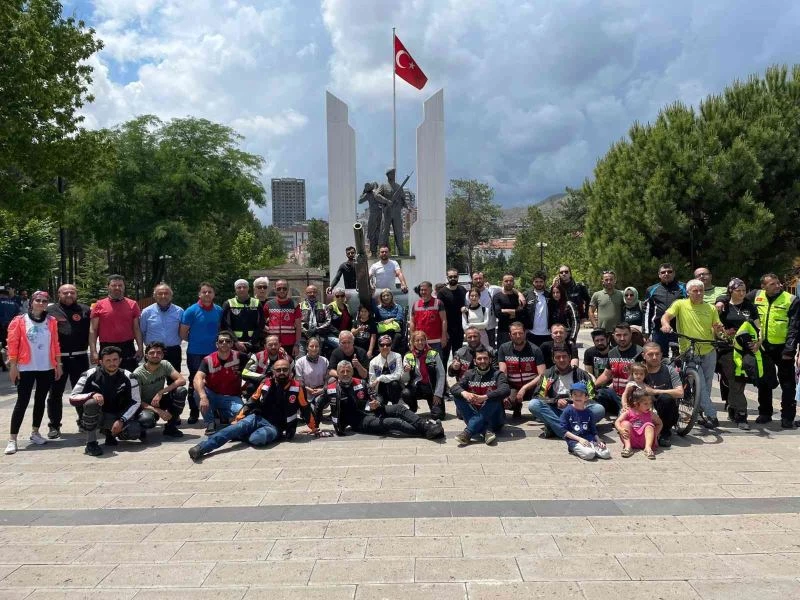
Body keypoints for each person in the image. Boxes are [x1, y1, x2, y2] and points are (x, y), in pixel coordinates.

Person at [188, 359, 319, 460]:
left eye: (285, 370)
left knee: (258, 439)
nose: (282, 373)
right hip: (257, 418)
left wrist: (313, 427)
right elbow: (252, 402)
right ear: (273, 372)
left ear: (290, 371)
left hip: (275, 427)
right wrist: (238, 418)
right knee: (232, 429)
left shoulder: (297, 387)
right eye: (278, 370)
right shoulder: (265, 383)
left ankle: (240, 434)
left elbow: (305, 408)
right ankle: (201, 448)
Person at [661, 278, 724, 429]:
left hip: (709, 349)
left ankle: (701, 413)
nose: (698, 293)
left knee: (707, 385)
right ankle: (712, 415)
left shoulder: (710, 308)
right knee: (700, 384)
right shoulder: (680, 304)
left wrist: (720, 330)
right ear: (688, 292)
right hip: (689, 350)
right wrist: (665, 324)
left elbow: (716, 326)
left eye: (701, 290)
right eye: (695, 290)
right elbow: (666, 316)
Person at [4, 291, 61, 455]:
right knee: (22, 401)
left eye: (45, 301)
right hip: (25, 367)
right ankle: (12, 439)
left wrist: (58, 364)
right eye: (38, 300)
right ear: (31, 302)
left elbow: (55, 343)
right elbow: (12, 344)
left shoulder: (51, 321)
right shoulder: (19, 320)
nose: (41, 303)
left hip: (46, 366)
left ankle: (35, 432)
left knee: (40, 400)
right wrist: (13, 366)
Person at [328, 361, 443, 438]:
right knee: (394, 422)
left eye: (348, 371)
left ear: (352, 372)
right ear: (337, 373)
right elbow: (317, 405)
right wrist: (314, 427)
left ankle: (426, 426)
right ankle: (429, 431)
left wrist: (376, 402)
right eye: (342, 372)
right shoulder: (331, 389)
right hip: (359, 422)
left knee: (399, 408)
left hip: (371, 410)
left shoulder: (360, 382)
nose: (345, 374)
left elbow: (374, 394)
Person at [69, 346, 149, 457]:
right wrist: (92, 395)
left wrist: (121, 420)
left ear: (120, 360)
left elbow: (136, 402)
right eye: (108, 360)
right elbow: (72, 397)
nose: (112, 363)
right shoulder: (89, 374)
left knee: (134, 431)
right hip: (96, 416)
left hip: (116, 416)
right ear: (101, 362)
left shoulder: (130, 377)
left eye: (115, 360)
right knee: (91, 403)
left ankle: (110, 434)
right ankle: (91, 443)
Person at [747, 273, 800, 428]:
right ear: (763, 286)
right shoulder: (755, 295)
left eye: (778, 283)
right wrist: (721, 301)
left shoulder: (791, 300)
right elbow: (736, 298)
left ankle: (787, 416)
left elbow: (795, 327)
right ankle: (765, 413)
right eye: (772, 284)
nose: (777, 286)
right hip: (762, 346)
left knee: (788, 384)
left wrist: (790, 349)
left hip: (783, 347)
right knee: (764, 381)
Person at [45, 284, 91, 439]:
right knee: (55, 393)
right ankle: (54, 426)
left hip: (80, 357)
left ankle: (84, 422)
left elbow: (93, 332)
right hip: (58, 359)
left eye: (72, 292)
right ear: (59, 294)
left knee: (83, 392)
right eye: (65, 292)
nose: (69, 294)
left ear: (76, 293)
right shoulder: (49, 311)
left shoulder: (85, 310)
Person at [529, 345, 604, 438]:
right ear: (553, 359)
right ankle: (572, 430)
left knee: (599, 409)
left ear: (570, 358)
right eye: (558, 357)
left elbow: (593, 397)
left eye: (564, 356)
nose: (561, 360)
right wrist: (555, 401)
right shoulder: (547, 374)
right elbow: (538, 396)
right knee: (533, 404)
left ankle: (555, 428)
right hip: (555, 411)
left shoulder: (582, 375)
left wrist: (575, 403)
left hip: (577, 413)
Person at [715, 278, 758, 429]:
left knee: (741, 380)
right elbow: (714, 327)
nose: (741, 293)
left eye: (744, 290)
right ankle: (741, 415)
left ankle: (733, 407)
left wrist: (758, 342)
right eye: (738, 290)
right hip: (727, 348)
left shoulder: (749, 306)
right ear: (730, 291)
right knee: (735, 381)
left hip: (746, 349)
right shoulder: (723, 307)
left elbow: (758, 327)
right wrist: (724, 333)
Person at [180, 282, 223, 424]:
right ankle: (193, 411)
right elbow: (183, 333)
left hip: (214, 353)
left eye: (210, 292)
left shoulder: (219, 310)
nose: (207, 294)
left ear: (214, 294)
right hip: (195, 353)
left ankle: (214, 410)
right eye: (204, 292)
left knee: (214, 382)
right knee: (195, 382)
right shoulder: (191, 311)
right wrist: (196, 340)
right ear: (199, 294)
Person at [452, 345, 509, 446]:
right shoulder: (469, 374)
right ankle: (486, 431)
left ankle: (468, 432)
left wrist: (484, 397)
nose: (482, 361)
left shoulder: (498, 374)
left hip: (495, 419)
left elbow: (505, 389)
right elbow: (454, 388)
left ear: (490, 360)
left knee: (493, 398)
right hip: (474, 412)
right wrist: (465, 393)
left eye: (485, 358)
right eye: (479, 358)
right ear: (474, 361)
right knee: (458, 396)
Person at [193, 331, 246, 435]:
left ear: (232, 344)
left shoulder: (240, 356)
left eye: (228, 341)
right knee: (197, 391)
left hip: (231, 397)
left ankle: (223, 413)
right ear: (217, 344)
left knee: (242, 414)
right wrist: (203, 397)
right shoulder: (208, 360)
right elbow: (197, 378)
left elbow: (257, 361)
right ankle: (210, 422)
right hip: (212, 395)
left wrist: (278, 350)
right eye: (221, 341)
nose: (224, 343)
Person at [89, 274, 143, 371]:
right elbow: (93, 329)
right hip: (106, 347)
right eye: (114, 285)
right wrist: (93, 351)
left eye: (120, 285)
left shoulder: (133, 304)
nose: (117, 288)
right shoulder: (99, 305)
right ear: (108, 287)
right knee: (106, 378)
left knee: (130, 377)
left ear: (124, 287)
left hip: (127, 347)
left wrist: (140, 348)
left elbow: (136, 328)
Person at [132, 341, 186, 438]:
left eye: (159, 353)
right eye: (152, 353)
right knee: (147, 420)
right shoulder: (137, 374)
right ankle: (142, 427)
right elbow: (137, 401)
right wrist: (158, 411)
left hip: (159, 400)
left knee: (181, 391)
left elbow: (181, 380)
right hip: (144, 405)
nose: (155, 355)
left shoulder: (165, 364)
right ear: (146, 356)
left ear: (162, 355)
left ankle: (171, 426)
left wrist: (161, 392)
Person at [593, 322, 642, 418]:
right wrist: (591, 387)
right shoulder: (612, 353)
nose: (622, 338)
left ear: (631, 335)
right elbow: (606, 375)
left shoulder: (640, 352)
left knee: (627, 420)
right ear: (613, 336)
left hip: (631, 396)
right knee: (598, 395)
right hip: (614, 394)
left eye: (625, 335)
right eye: (618, 335)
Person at [498, 321, 546, 418]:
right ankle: (516, 406)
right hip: (513, 386)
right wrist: (503, 392)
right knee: (501, 401)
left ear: (525, 333)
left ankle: (537, 411)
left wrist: (524, 388)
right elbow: (503, 373)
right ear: (510, 335)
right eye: (514, 334)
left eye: (520, 333)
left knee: (544, 398)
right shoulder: (504, 348)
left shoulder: (535, 349)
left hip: (532, 386)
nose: (518, 336)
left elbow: (542, 374)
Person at [640, 342, 682, 447]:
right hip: (643, 409)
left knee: (666, 398)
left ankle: (665, 432)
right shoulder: (639, 371)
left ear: (661, 354)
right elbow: (629, 388)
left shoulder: (669, 370)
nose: (654, 357)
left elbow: (680, 392)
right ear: (643, 355)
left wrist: (656, 391)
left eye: (657, 354)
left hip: (666, 411)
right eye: (650, 354)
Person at [560, 382, 611, 461]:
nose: (578, 397)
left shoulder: (589, 412)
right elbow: (563, 430)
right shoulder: (567, 411)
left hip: (590, 439)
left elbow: (593, 430)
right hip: (575, 440)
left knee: (606, 454)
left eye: (581, 394)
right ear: (571, 396)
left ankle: (592, 448)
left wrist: (598, 440)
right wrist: (579, 439)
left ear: (586, 397)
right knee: (589, 454)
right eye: (575, 394)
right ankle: (575, 449)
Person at [401, 330, 446, 419]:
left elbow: (441, 374)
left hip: (432, 389)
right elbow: (404, 380)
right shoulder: (408, 356)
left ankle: (433, 404)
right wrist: (406, 371)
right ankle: (413, 407)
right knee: (405, 393)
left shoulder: (433, 354)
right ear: (413, 342)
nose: (420, 342)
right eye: (417, 340)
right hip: (417, 387)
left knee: (438, 416)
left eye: (422, 340)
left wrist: (438, 394)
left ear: (426, 340)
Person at [644, 263, 686, 355]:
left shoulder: (684, 287)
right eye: (663, 272)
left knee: (679, 358)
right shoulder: (651, 289)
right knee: (659, 357)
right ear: (659, 275)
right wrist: (646, 332)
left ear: (674, 273)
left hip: (679, 330)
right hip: (658, 331)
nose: (666, 274)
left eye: (669, 272)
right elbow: (647, 312)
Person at [139, 283, 184, 371]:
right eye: (160, 293)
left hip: (173, 351)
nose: (163, 296)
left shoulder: (180, 311)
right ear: (154, 296)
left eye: (166, 293)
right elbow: (142, 332)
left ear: (171, 296)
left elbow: (183, 331)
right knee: (152, 381)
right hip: (153, 352)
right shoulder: (146, 312)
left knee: (174, 380)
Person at [615, 389, 662, 459]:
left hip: (645, 441)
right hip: (631, 439)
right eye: (645, 404)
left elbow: (660, 423)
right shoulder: (629, 411)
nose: (649, 406)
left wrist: (655, 434)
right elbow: (617, 421)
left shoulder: (650, 414)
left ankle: (648, 448)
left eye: (650, 403)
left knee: (649, 425)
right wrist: (620, 429)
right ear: (636, 404)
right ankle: (628, 447)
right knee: (625, 423)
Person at [221, 279, 264, 354]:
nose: (242, 289)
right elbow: (225, 325)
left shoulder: (257, 303)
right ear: (235, 289)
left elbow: (261, 324)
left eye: (244, 287)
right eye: (239, 287)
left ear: (248, 288)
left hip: (253, 344)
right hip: (234, 344)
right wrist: (235, 341)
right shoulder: (228, 303)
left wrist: (252, 341)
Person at [263, 279, 302, 357]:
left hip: (290, 343)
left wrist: (297, 345)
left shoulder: (294, 304)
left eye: (284, 288)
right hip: (273, 344)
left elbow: (298, 327)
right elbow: (261, 322)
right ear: (275, 290)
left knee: (288, 366)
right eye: (279, 288)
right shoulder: (268, 304)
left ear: (288, 289)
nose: (281, 290)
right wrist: (267, 328)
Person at [294, 337, 330, 421]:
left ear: (319, 348)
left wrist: (323, 389)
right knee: (309, 416)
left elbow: (328, 379)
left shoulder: (324, 361)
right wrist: (308, 389)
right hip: (305, 392)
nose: (314, 348)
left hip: (320, 391)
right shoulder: (300, 362)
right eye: (311, 346)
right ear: (307, 347)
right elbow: (298, 381)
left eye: (316, 346)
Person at [437, 268, 467, 365]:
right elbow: (440, 313)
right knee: (444, 357)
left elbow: (468, 305)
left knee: (458, 357)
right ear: (447, 278)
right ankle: (443, 380)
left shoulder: (463, 290)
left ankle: (459, 379)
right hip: (447, 330)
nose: (453, 278)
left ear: (458, 277)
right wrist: (444, 332)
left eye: (455, 276)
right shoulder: (442, 292)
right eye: (450, 277)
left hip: (459, 329)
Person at [409, 281, 448, 351]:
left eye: (425, 290)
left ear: (431, 290)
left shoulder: (438, 303)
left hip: (436, 342)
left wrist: (444, 336)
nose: (423, 292)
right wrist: (412, 339)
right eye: (421, 290)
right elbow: (412, 322)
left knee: (437, 362)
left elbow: (444, 320)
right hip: (420, 342)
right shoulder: (416, 304)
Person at [378, 168, 408, 255]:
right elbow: (376, 195)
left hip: (397, 213)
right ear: (388, 175)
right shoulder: (383, 186)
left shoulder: (398, 187)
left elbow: (403, 200)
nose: (393, 175)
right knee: (384, 232)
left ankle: (401, 251)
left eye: (394, 174)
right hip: (387, 213)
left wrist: (407, 206)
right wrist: (387, 201)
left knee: (398, 232)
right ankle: (382, 250)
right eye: (392, 174)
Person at [368, 334, 403, 407]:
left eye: (388, 344)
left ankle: (396, 406)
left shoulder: (397, 356)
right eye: (382, 345)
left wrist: (381, 378)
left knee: (394, 384)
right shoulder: (373, 362)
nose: (385, 347)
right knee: (380, 410)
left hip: (394, 389)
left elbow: (398, 375)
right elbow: (372, 382)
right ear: (378, 346)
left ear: (391, 345)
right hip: (380, 391)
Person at [299, 285, 334, 356]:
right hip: (303, 337)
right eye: (309, 292)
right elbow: (296, 321)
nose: (312, 294)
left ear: (317, 293)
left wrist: (316, 329)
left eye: (314, 292)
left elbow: (328, 321)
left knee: (317, 357)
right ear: (306, 293)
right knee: (301, 357)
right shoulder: (300, 306)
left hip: (318, 336)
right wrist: (305, 330)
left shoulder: (324, 306)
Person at [468, 272, 500, 348]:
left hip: (489, 327)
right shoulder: (468, 294)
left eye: (480, 278)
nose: (478, 280)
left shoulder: (492, 290)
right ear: (472, 280)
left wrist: (520, 295)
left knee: (490, 350)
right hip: (474, 329)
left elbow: (507, 289)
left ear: (484, 279)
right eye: (476, 279)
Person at [492, 274, 525, 347]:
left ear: (514, 282)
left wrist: (505, 310)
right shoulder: (497, 296)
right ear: (502, 282)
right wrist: (515, 312)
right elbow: (498, 314)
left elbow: (523, 312)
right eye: (506, 281)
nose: (508, 282)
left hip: (518, 331)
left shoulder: (519, 297)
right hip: (503, 331)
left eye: (511, 281)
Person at [359, 184, 391, 256]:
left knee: (372, 233)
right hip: (381, 215)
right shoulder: (381, 194)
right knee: (380, 233)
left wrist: (364, 192)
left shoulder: (369, 194)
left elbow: (360, 201)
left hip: (374, 215)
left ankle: (374, 252)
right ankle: (381, 251)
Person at [589, 270, 624, 335]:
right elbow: (591, 312)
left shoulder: (621, 294)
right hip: (602, 332)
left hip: (618, 331)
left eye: (611, 279)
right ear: (602, 281)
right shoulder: (597, 295)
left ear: (615, 281)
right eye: (606, 280)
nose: (609, 282)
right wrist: (595, 326)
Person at [524, 271, 550, 347]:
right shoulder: (526, 295)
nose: (539, 284)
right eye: (536, 282)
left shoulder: (550, 295)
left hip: (548, 334)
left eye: (541, 282)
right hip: (531, 333)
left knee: (546, 358)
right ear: (533, 282)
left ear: (544, 282)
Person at [0, 285, 22, 372]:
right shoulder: (15, 304)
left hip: (1, 327)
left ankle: (3, 364)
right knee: (9, 346)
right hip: (11, 328)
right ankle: (11, 363)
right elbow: (19, 317)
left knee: (1, 346)